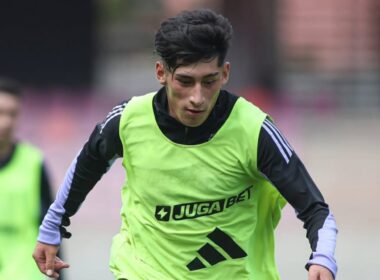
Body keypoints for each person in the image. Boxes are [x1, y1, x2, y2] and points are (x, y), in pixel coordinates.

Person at [33, 9, 338, 280]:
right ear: (161, 73)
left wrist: (322, 258)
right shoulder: (129, 120)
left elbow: (316, 210)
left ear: (226, 74)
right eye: (185, 81)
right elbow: (87, 165)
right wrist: (51, 228)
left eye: (210, 81)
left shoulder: (253, 129)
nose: (197, 97)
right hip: (142, 271)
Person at [0, 78, 65, 280]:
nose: (6, 121)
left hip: (24, 274)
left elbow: (51, 225)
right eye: (0, 113)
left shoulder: (33, 163)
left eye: (13, 114)